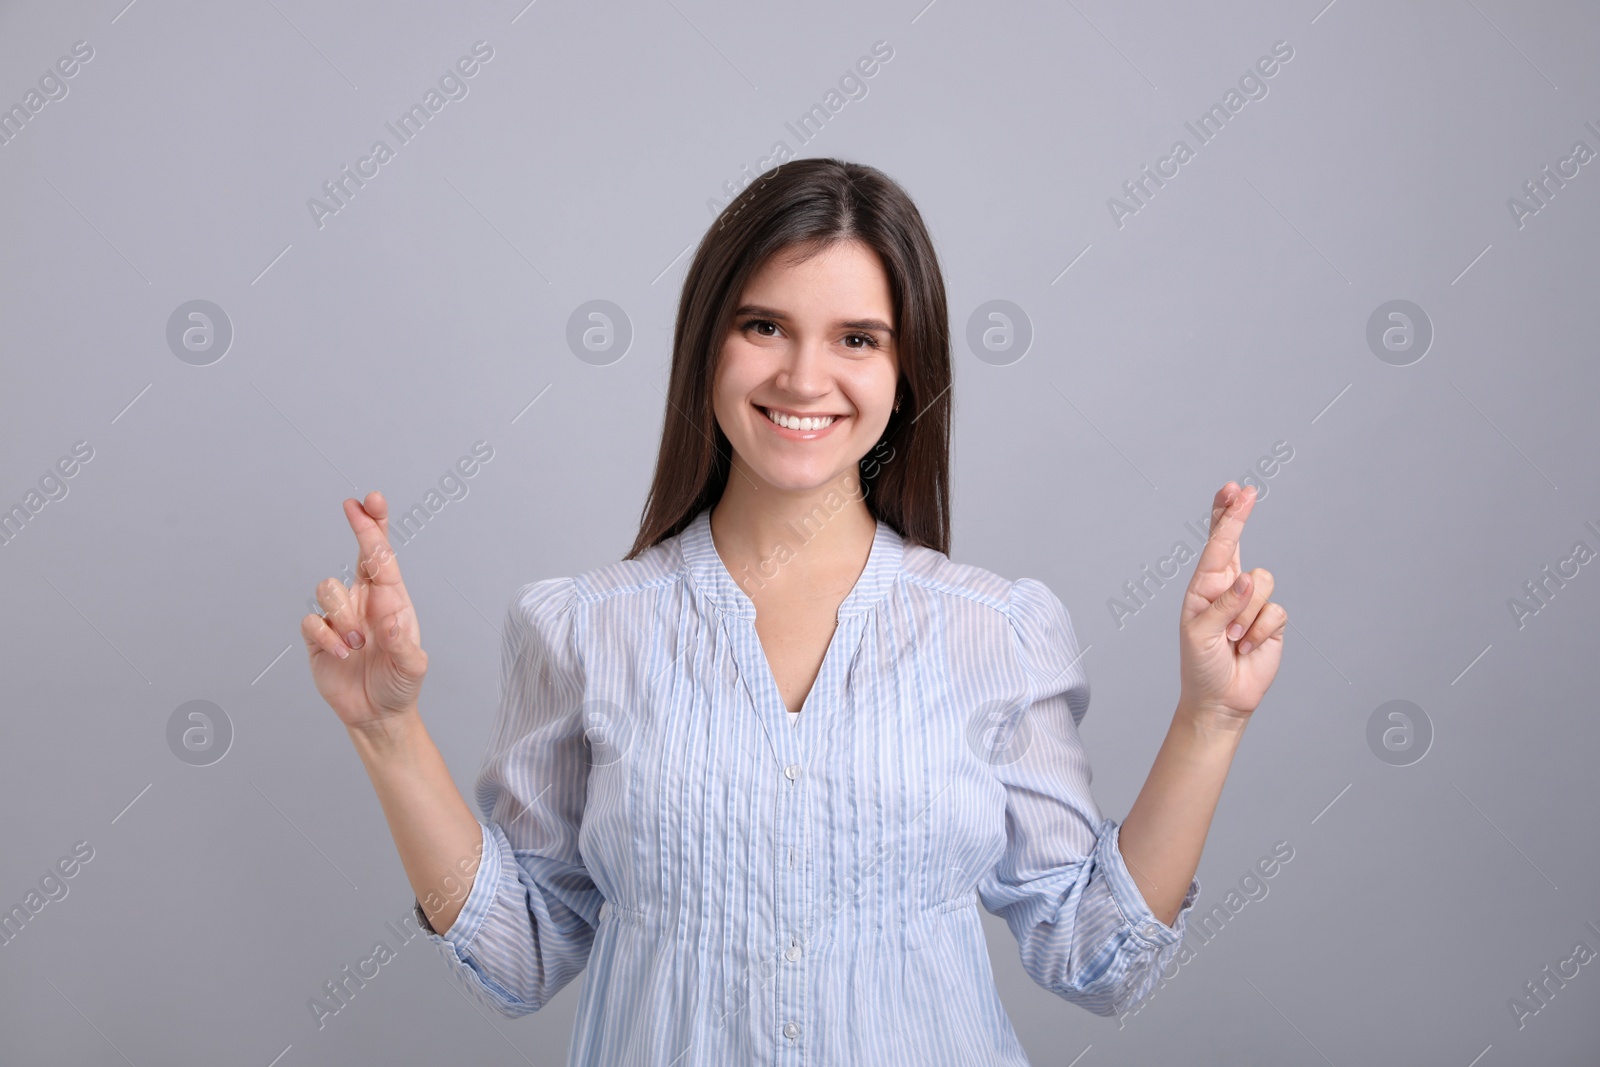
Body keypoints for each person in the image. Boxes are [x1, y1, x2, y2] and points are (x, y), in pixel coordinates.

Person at [301, 158, 1287, 1065]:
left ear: (905, 372)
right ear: (706, 342)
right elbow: (519, 955)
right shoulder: (580, 629)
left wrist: (1211, 716)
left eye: (856, 338)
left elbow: (1094, 954)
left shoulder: (1000, 632)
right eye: (763, 325)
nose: (803, 378)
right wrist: (389, 734)